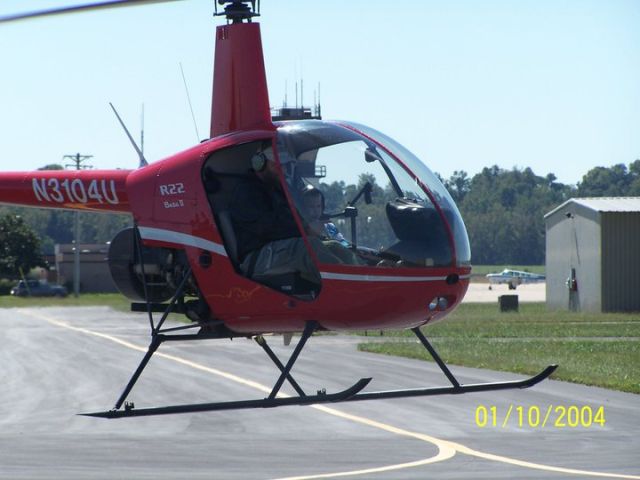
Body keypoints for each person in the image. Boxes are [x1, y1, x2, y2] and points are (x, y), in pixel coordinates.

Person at [228, 148, 319, 286]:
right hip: (257, 257)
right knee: (309, 248)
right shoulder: (246, 191)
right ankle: (343, 293)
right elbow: (267, 228)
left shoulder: (278, 189)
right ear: (260, 164)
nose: (282, 170)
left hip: (278, 249)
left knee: (332, 246)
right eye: (277, 165)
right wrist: (304, 229)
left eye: (284, 165)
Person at [300, 185, 362, 265]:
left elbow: (341, 240)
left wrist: (353, 248)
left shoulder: (328, 226)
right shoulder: (301, 227)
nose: (315, 211)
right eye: (311, 207)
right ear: (303, 208)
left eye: (318, 206)